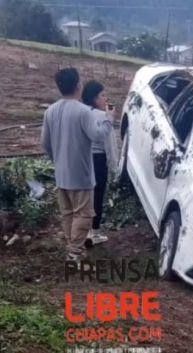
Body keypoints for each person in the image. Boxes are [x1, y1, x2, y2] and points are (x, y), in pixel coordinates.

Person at [41, 68, 115, 261]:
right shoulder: (83, 112)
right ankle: (74, 253)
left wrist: (56, 160)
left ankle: (73, 247)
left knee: (68, 214)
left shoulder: (50, 111)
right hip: (81, 173)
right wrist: (109, 120)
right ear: (78, 85)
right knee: (84, 214)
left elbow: (45, 143)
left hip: (61, 172)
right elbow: (97, 135)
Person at [81, 80, 119, 245]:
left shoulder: (83, 114)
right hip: (98, 160)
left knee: (84, 197)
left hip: (83, 159)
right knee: (97, 197)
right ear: (95, 99)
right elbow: (110, 146)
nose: (106, 98)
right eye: (103, 95)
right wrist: (114, 168)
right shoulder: (104, 117)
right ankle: (93, 233)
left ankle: (82, 231)